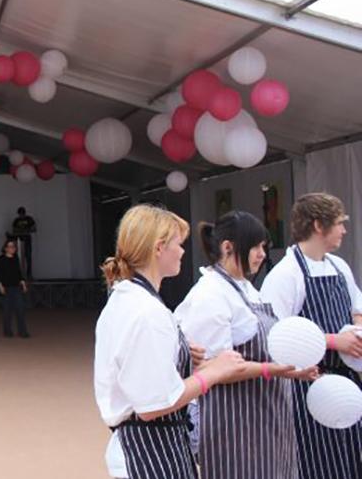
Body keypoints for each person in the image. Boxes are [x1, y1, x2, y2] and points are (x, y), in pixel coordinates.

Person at [95, 204, 246, 479]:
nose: (183, 252)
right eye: (179, 243)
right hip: (151, 452)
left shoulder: (128, 298)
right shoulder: (147, 311)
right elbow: (155, 404)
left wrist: (179, 354)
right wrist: (212, 373)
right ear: (158, 248)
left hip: (148, 447)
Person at [175, 211, 318, 479]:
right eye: (255, 246)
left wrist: (290, 369)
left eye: (264, 246)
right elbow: (211, 367)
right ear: (228, 247)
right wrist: (276, 369)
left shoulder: (246, 288)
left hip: (268, 417)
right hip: (234, 424)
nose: (262, 253)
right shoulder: (210, 294)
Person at [260, 193, 362, 479]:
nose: (343, 230)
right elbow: (273, 334)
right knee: (317, 463)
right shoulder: (286, 275)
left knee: (351, 459)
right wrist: (333, 341)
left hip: (347, 381)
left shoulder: (339, 267)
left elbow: (357, 309)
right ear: (319, 225)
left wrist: (356, 333)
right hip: (308, 384)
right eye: (339, 223)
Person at [0, 239, 29, 338]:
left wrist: (23, 283)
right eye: (10, 246)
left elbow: (19, 272)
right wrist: (0, 286)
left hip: (16, 287)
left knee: (20, 309)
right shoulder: (0, 259)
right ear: (5, 248)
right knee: (7, 311)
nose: (12, 248)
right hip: (6, 287)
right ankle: (7, 331)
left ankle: (23, 331)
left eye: (13, 247)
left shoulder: (16, 258)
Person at [11, 207, 36, 279]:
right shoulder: (16, 220)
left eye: (22, 214)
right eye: (20, 214)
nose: (21, 216)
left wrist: (26, 230)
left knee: (28, 257)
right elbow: (13, 230)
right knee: (19, 258)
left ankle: (29, 275)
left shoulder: (29, 219)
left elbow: (34, 228)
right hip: (19, 241)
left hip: (27, 240)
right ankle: (19, 275)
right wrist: (19, 231)